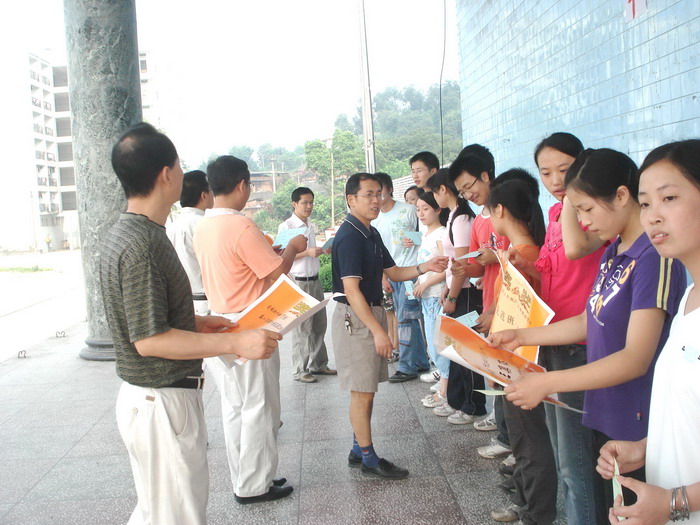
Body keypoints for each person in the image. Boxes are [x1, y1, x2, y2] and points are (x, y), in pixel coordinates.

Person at [492, 148, 686, 524]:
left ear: (621, 196)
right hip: (607, 410)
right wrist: (521, 335)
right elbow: (587, 320)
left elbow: (636, 358)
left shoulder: (654, 257)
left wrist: (547, 382)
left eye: (586, 209)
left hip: (637, 419)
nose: (581, 222)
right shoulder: (614, 252)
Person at [100, 123, 280, 525]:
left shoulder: (131, 233)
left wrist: (196, 322)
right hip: (162, 403)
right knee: (178, 516)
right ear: (166, 174)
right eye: (180, 165)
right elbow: (149, 340)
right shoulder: (143, 244)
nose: (184, 173)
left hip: (153, 399)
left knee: (157, 512)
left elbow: (143, 318)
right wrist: (235, 343)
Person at [597, 139, 700, 524]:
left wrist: (674, 502)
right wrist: (645, 447)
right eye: (645, 203)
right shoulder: (689, 299)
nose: (653, 216)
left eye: (669, 198)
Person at [194, 155, 307, 504]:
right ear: (243, 185)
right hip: (251, 324)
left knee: (234, 406)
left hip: (220, 321)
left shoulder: (204, 225)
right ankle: (255, 485)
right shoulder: (241, 225)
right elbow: (277, 273)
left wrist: (270, 252)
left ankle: (246, 476)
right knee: (260, 404)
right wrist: (292, 248)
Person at [332, 172, 448, 479]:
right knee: (362, 391)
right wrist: (378, 331)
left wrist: (425, 266)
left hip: (368, 313)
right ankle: (369, 458)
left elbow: (393, 271)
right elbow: (351, 291)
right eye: (368, 195)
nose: (376, 200)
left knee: (367, 388)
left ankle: (358, 450)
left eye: (379, 194)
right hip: (356, 318)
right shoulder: (349, 236)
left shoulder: (370, 232)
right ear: (351, 199)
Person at [530, 132, 607, 525]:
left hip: (581, 344)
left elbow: (576, 250)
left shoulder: (589, 213)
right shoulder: (556, 213)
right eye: (546, 173)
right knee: (565, 459)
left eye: (565, 169)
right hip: (556, 338)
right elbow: (553, 272)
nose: (556, 180)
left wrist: (574, 201)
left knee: (575, 464)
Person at [484, 173, 555, 525]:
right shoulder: (525, 253)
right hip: (517, 358)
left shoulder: (524, 257)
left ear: (500, 210)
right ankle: (527, 503)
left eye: (489, 211)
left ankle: (534, 512)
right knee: (526, 438)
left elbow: (519, 316)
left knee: (528, 439)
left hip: (522, 361)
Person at [426, 169, 486, 425]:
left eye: (433, 192)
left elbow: (462, 263)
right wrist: (448, 289)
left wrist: (453, 296)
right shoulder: (454, 216)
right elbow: (454, 265)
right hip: (457, 290)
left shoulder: (462, 219)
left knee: (467, 350)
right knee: (456, 350)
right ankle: (459, 401)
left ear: (442, 190)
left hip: (466, 293)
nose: (434, 198)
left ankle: (473, 406)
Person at [372, 172, 430, 383]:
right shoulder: (375, 218)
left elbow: (429, 233)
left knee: (406, 319)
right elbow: (379, 251)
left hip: (410, 273)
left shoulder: (408, 210)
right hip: (391, 275)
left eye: (380, 192)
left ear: (390, 190)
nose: (376, 197)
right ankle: (420, 361)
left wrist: (414, 238)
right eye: (372, 193)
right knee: (405, 317)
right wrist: (383, 277)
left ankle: (406, 366)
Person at [277, 187, 336, 383]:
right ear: (294, 204)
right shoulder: (286, 227)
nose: (309, 206)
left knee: (319, 324)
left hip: (315, 280)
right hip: (298, 282)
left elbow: (310, 252)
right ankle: (300, 369)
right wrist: (307, 253)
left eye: (311, 202)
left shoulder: (310, 225)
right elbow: (280, 256)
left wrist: (321, 251)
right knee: (302, 327)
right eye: (305, 203)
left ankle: (318, 364)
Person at [411, 191, 448, 405]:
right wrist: (419, 282)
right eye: (418, 209)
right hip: (427, 297)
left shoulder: (441, 234)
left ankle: (445, 391)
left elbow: (448, 268)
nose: (421, 213)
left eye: (425, 209)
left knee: (438, 345)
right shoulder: (426, 235)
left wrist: (425, 284)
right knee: (433, 345)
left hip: (436, 296)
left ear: (438, 209)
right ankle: (444, 384)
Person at [166, 170, 213, 315]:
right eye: (211, 191)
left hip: (185, 301)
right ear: (204, 195)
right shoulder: (204, 224)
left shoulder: (172, 225)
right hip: (207, 301)